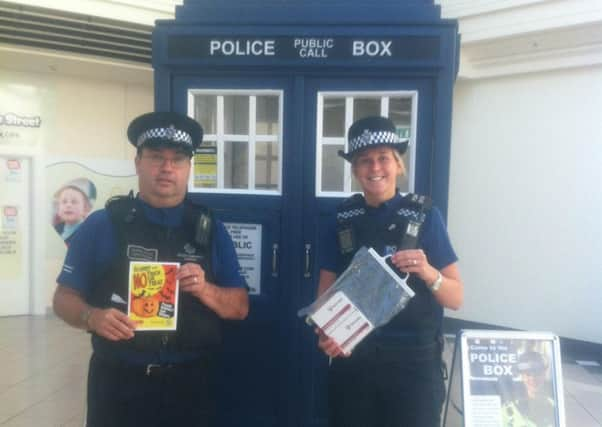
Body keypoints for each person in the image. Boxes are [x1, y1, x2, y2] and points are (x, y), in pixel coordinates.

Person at [53, 111, 249, 427]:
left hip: (192, 383)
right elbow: (63, 298)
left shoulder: (211, 229)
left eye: (178, 159)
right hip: (119, 382)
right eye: (156, 157)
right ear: (138, 163)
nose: (167, 168)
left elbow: (239, 307)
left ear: (188, 168)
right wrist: (92, 316)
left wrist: (204, 288)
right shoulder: (103, 224)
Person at [316, 116, 464, 427]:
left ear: (398, 164)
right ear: (355, 170)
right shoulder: (342, 220)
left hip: (415, 365)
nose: (375, 168)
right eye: (365, 161)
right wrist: (326, 331)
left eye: (384, 158)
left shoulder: (425, 217)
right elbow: (325, 301)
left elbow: (456, 298)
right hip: (355, 363)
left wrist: (426, 271)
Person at [502, 351, 556, 427]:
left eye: (537, 373)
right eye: (528, 374)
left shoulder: (555, 407)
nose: (532, 378)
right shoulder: (509, 409)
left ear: (544, 374)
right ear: (522, 376)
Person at [52, 178, 96, 243]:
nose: (68, 205)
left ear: (85, 209)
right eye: (64, 202)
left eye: (74, 202)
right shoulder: (57, 228)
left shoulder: (87, 231)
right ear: (58, 209)